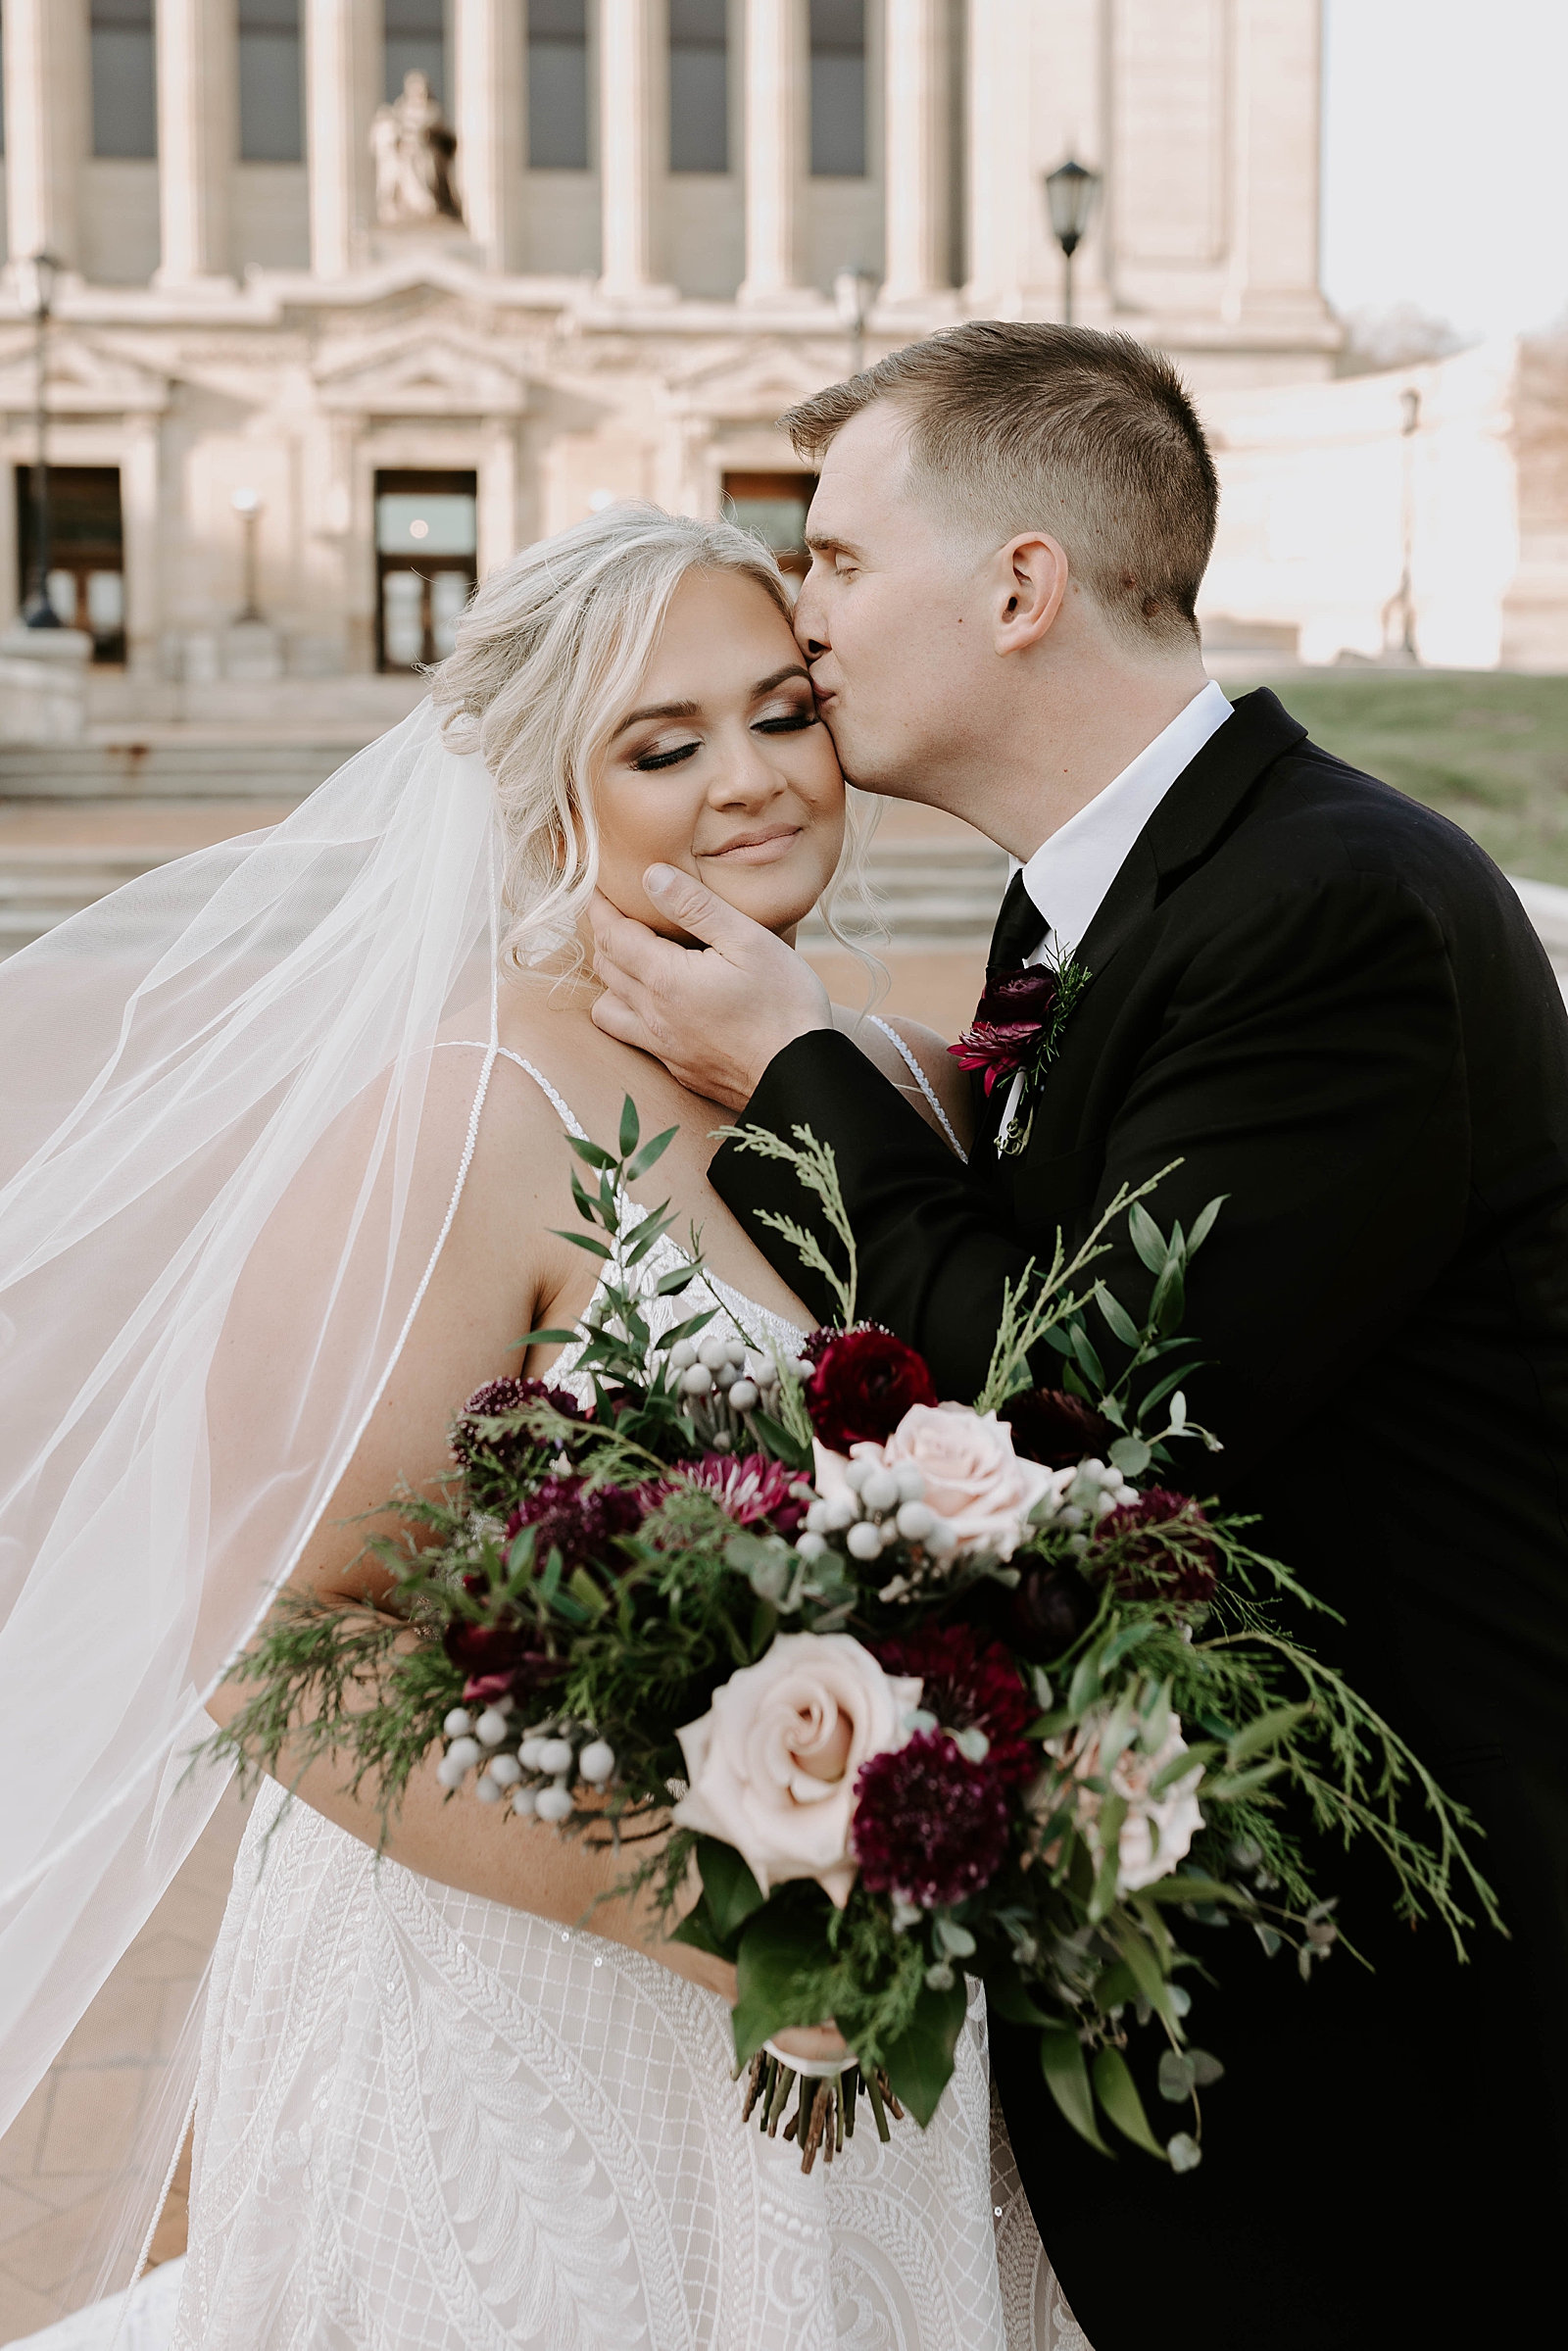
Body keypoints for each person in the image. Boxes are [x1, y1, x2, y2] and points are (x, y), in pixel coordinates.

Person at [588, 325, 1568, 2350]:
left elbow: (1081, 1403)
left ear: (1017, 586)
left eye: (840, 563)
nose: (806, 614)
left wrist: (792, 1073)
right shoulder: (1091, 906)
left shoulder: (1329, 909)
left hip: (1410, 1967)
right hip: (1221, 1935)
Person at [0, 505, 1070, 2349]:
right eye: (662, 749)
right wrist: (717, 1907)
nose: (749, 781)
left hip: (884, 2008)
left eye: (782, 715)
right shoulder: (467, 1115)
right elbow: (287, 1649)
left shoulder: (888, 1086)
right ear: (535, 796)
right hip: (525, 2025)